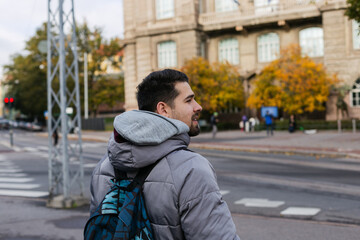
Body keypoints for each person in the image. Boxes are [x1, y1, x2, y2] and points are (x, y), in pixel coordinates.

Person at [89, 69, 240, 240]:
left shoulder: (104, 167)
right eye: (189, 100)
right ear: (163, 109)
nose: (198, 106)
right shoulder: (192, 169)